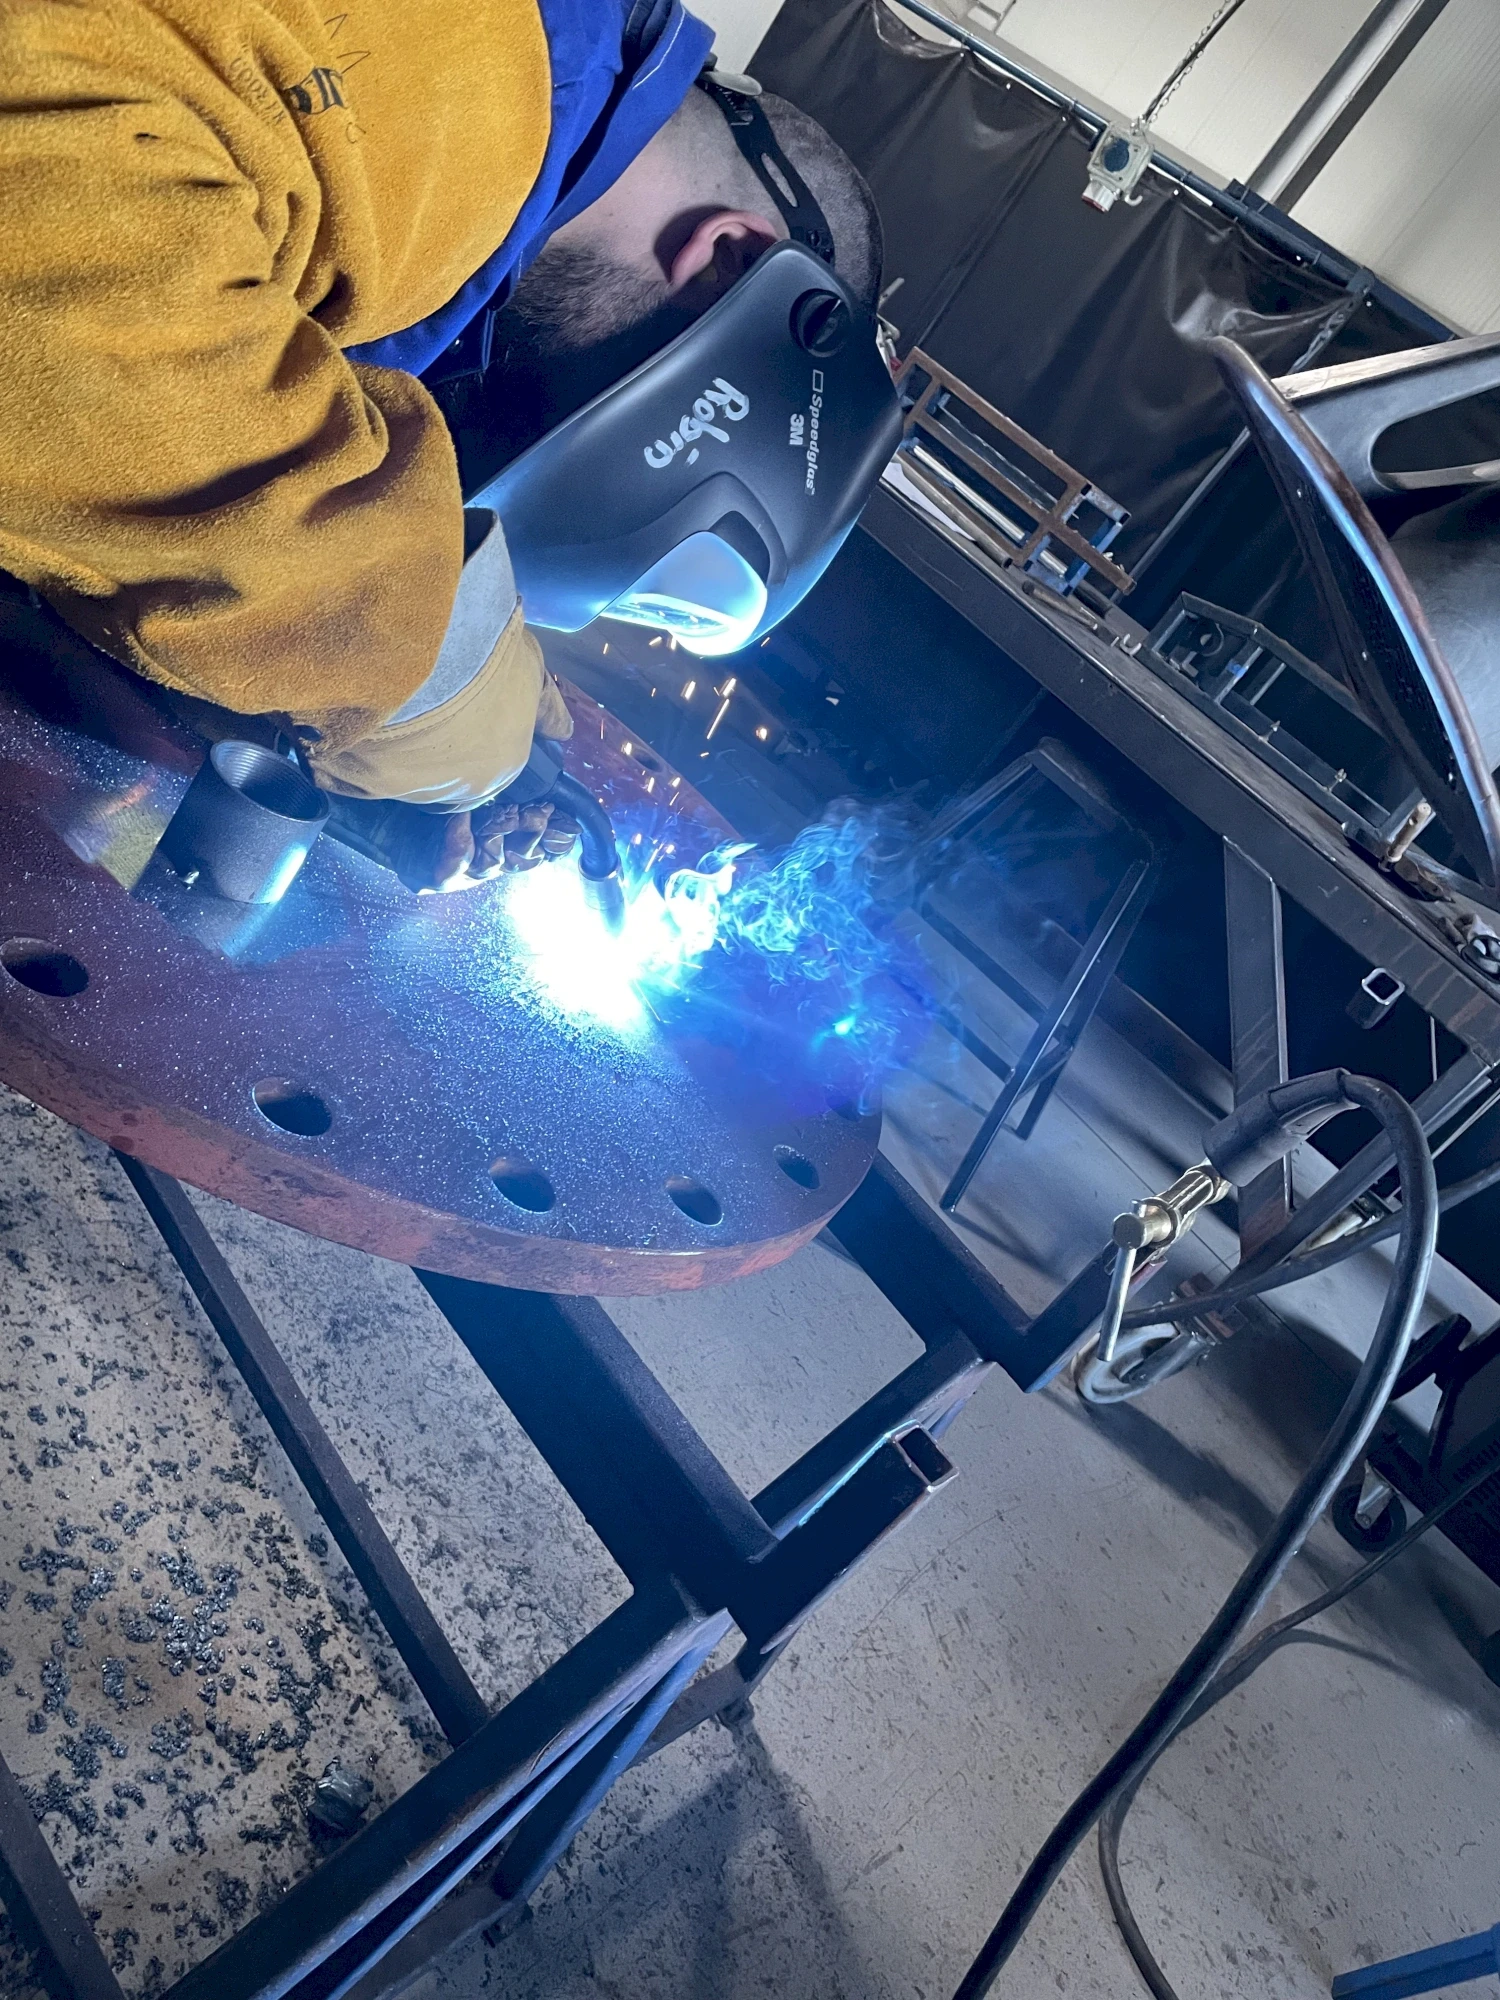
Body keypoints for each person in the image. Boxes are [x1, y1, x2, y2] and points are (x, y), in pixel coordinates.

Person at [0, 0, 882, 887]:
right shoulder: (466, 72)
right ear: (724, 257)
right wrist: (408, 663)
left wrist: (314, 730)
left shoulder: (457, 147)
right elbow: (54, 257)